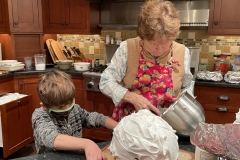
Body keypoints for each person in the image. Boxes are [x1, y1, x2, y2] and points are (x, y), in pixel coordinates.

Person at [100, 0, 194, 122]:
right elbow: (105, 81)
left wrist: (183, 102)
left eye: (166, 44)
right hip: (130, 124)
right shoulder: (128, 48)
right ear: (142, 36)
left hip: (167, 125)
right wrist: (132, 97)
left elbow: (187, 84)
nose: (159, 50)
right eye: (153, 43)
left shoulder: (182, 52)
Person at [32, 70, 118, 160]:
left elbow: (94, 118)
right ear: (45, 106)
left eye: (70, 101)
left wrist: (119, 127)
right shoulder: (40, 116)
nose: (68, 108)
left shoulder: (75, 109)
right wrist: (87, 143)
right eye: (61, 107)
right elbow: (52, 138)